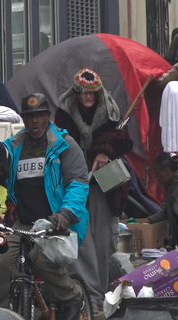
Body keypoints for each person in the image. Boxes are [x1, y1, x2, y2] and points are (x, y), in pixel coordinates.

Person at [0, 93, 89, 320]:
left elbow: (78, 185)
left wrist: (64, 214)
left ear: (48, 117)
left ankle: (73, 297)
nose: (34, 122)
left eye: (39, 116)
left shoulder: (65, 146)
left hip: (53, 224)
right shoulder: (15, 145)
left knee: (42, 260)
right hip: (23, 223)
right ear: (24, 120)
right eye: (29, 117)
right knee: (3, 263)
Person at [54, 69, 132, 311]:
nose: (88, 97)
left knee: (105, 240)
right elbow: (59, 142)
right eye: (83, 92)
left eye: (92, 92)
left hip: (104, 184)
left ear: (98, 93)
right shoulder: (64, 112)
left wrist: (105, 149)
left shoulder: (110, 110)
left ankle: (100, 294)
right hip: (76, 181)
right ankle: (88, 297)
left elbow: (124, 140)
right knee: (81, 239)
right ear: (76, 92)